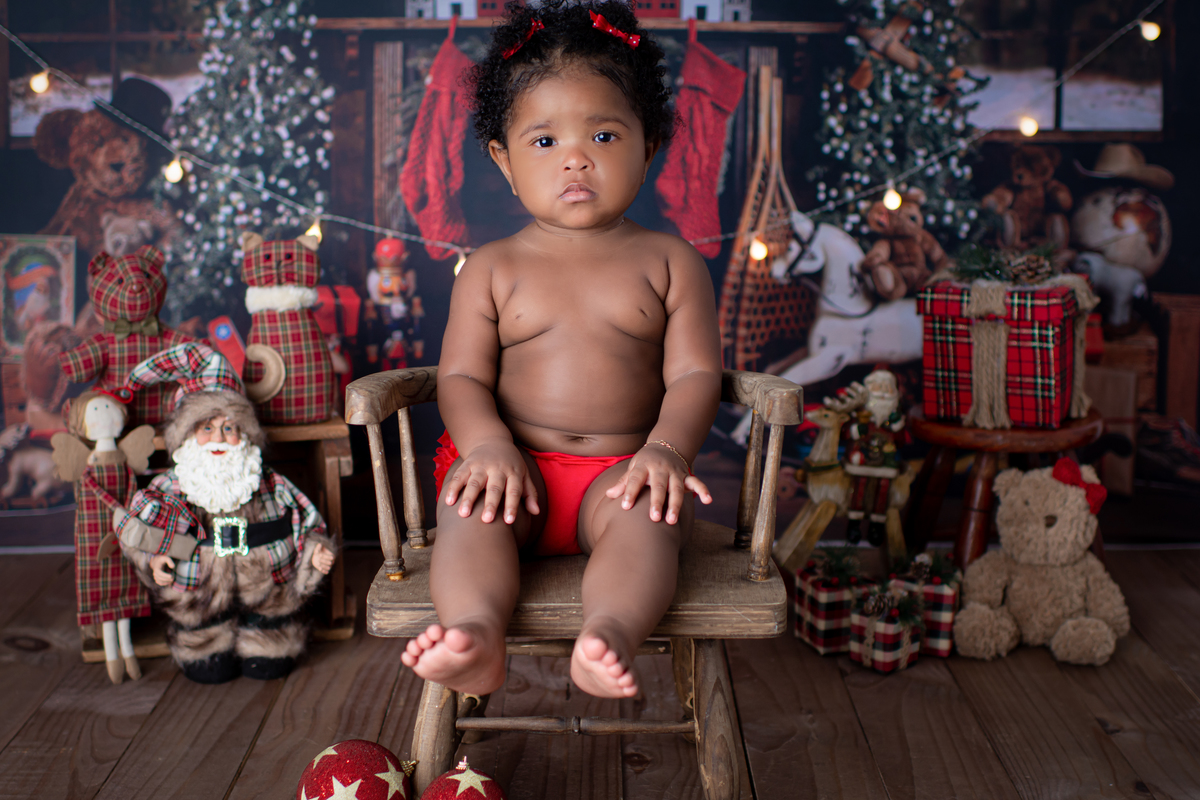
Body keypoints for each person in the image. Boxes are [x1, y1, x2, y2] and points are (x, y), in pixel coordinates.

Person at [400, 0, 722, 700]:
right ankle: (475, 633)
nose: (576, 157)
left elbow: (697, 372)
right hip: (513, 469)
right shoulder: (491, 266)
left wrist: (666, 450)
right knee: (470, 517)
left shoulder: (671, 262)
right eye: (544, 141)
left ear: (648, 148)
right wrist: (487, 445)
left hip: (623, 473)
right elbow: (460, 376)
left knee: (646, 522)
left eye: (604, 135)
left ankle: (608, 632)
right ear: (505, 161)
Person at [112, 342, 335, 683]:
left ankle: (268, 636)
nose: (218, 438)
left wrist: (315, 549)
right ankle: (205, 642)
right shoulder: (171, 485)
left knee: (271, 640)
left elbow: (304, 516)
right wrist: (153, 558)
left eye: (228, 428)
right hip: (198, 586)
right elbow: (140, 527)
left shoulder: (264, 480)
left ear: (244, 434)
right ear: (188, 434)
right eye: (207, 428)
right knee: (205, 650)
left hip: (267, 582)